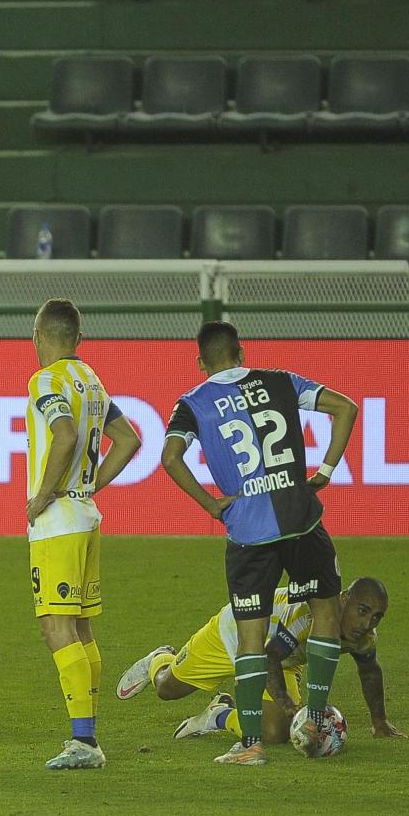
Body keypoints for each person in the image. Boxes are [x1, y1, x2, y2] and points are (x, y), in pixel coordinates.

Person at [161, 320, 359, 766]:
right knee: (326, 612)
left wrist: (212, 506)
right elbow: (346, 408)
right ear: (241, 352)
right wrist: (324, 472)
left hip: (248, 530)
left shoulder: (192, 403)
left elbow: (170, 457)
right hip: (301, 519)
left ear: (201, 362)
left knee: (251, 639)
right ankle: (316, 717)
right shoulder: (281, 382)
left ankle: (249, 744)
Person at [24, 299, 143, 771]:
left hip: (58, 521)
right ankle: (87, 733)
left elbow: (66, 435)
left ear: (39, 336)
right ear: (79, 337)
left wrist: (43, 495)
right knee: (81, 627)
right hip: (87, 513)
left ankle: (84, 741)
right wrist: (89, 485)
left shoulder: (46, 380)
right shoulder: (91, 380)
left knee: (54, 626)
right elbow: (129, 439)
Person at [116, 578, 404, 746]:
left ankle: (219, 715)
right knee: (167, 689)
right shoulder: (307, 617)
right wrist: (284, 700)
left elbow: (369, 670)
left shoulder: (364, 637)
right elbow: (268, 656)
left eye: (376, 616)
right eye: (363, 611)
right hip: (235, 632)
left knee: (275, 733)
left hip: (282, 659)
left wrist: (379, 722)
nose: (367, 622)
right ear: (345, 599)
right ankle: (158, 659)